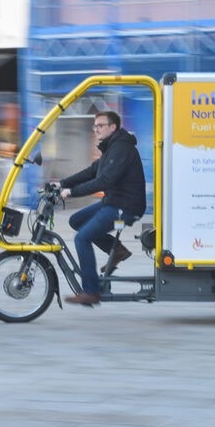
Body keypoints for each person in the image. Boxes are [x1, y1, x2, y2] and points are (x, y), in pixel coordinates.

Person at [54, 111, 146, 306]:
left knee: (82, 238)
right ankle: (118, 250)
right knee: (76, 221)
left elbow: (104, 181)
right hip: (114, 202)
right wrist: (61, 183)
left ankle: (90, 291)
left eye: (100, 125)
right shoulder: (112, 148)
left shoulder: (121, 148)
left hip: (125, 207)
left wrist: (71, 192)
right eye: (94, 126)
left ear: (113, 127)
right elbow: (91, 172)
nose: (96, 129)